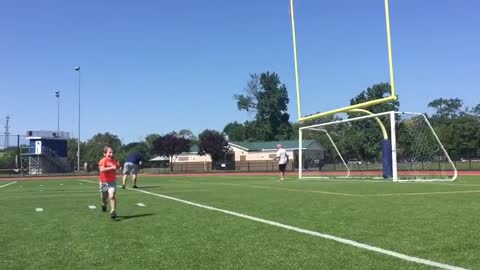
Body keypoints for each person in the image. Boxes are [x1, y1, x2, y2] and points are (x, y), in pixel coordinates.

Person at [98, 146, 120, 219]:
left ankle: (113, 211)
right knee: (104, 197)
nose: (111, 154)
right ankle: (104, 204)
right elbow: (101, 169)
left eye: (112, 152)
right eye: (109, 152)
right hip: (103, 182)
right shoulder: (102, 161)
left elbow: (117, 166)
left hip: (112, 182)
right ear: (104, 154)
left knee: (112, 196)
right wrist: (111, 167)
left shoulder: (115, 160)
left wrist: (118, 166)